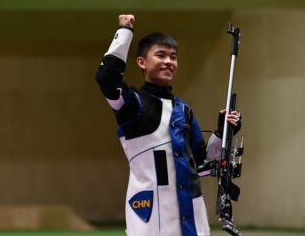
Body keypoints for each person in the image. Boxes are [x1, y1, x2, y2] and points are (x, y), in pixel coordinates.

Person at [95, 14, 241, 236]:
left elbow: (203, 165)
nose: (168, 62)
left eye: (173, 57)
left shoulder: (184, 110)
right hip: (151, 216)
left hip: (192, 215)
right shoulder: (131, 103)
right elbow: (106, 78)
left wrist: (223, 132)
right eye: (160, 55)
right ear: (142, 62)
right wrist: (125, 31)